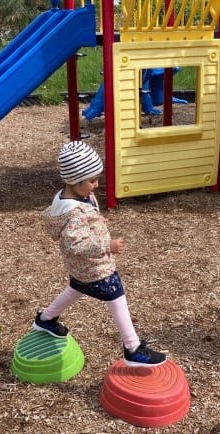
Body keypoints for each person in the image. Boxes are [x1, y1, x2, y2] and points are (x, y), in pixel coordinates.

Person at [31, 140, 167, 367]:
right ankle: (132, 348)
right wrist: (106, 246)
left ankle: (46, 318)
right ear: (73, 180)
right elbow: (77, 244)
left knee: (75, 288)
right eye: (92, 180)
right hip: (95, 268)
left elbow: (82, 223)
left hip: (80, 269)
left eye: (97, 179)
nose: (96, 185)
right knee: (117, 297)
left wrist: (96, 220)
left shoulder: (71, 197)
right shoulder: (73, 213)